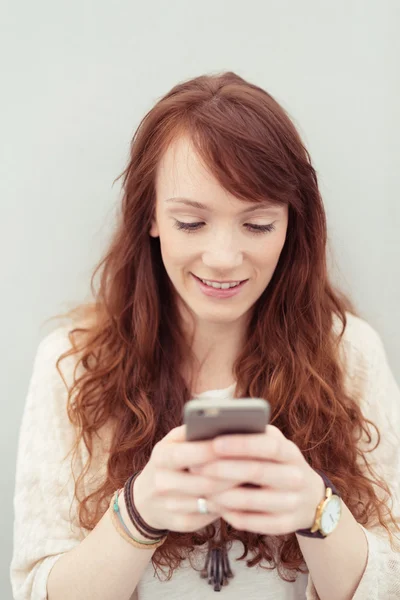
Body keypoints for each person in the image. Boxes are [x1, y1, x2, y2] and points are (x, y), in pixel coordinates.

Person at [10, 71, 400, 600]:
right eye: (192, 223)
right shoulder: (74, 363)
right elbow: (35, 589)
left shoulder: (349, 354)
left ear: (292, 224)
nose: (222, 258)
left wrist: (316, 508)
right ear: (150, 215)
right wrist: (137, 512)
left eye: (257, 225)